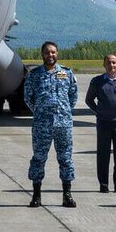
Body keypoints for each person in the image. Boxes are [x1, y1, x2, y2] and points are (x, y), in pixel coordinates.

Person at [24, 41, 78, 208]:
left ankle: (67, 195)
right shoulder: (34, 75)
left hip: (63, 124)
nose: (51, 55)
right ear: (42, 54)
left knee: (66, 158)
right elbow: (28, 98)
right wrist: (41, 111)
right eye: (47, 52)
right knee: (39, 158)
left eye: (53, 52)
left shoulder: (66, 73)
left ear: (57, 53)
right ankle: (36, 195)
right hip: (42, 125)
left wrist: (63, 111)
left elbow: (73, 96)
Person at [85, 54, 116, 194]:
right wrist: (99, 112)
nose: (111, 65)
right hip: (103, 123)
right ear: (104, 65)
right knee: (103, 154)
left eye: (114, 62)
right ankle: (103, 184)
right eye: (108, 63)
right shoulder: (97, 81)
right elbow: (89, 100)